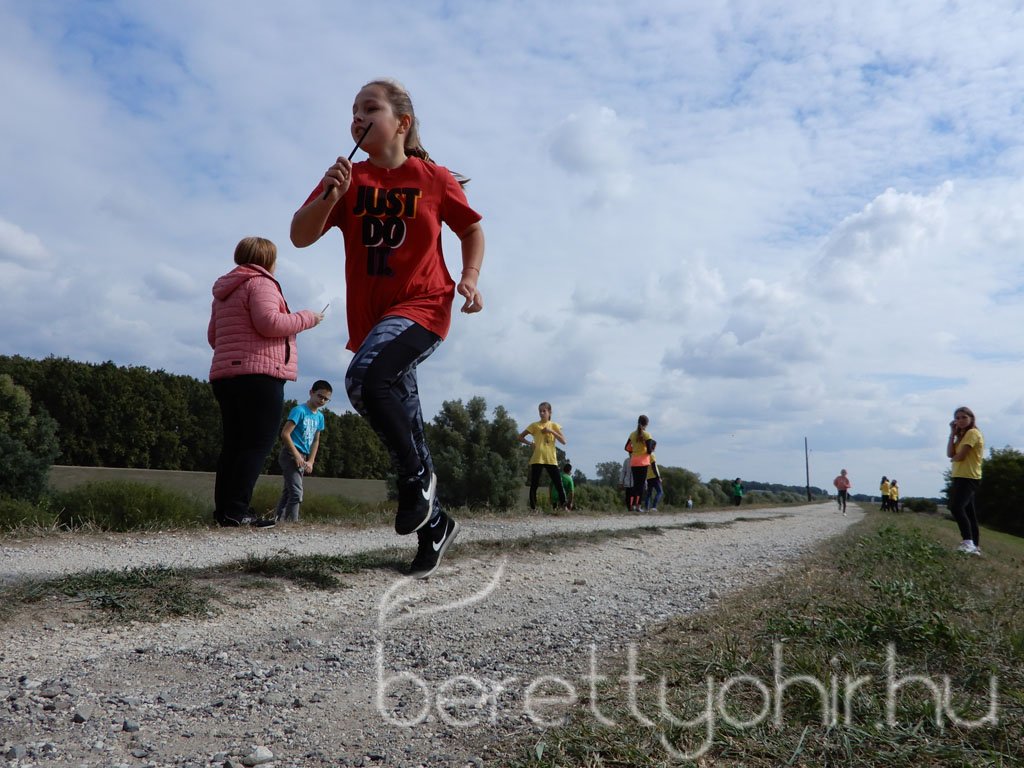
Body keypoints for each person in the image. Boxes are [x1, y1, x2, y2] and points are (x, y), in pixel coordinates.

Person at [290, 78, 484, 579]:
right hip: (377, 321)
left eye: (368, 108)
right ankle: (435, 524)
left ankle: (416, 478)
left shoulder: (434, 179)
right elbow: (300, 235)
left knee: (363, 380)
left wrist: (469, 279)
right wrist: (330, 196)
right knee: (408, 422)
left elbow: (471, 229)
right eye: (352, 111)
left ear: (402, 122)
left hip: (424, 306)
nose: (357, 117)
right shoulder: (347, 179)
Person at [208, 236, 324, 528]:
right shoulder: (262, 283)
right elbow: (270, 323)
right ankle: (238, 512)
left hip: (225, 376)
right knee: (256, 444)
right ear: (268, 260)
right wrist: (307, 318)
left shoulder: (224, 291)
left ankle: (224, 512)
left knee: (234, 445)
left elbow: (213, 337)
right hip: (259, 374)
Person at [275, 380, 332, 522]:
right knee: (296, 493)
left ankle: (277, 521)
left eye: (326, 399)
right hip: (290, 455)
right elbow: (285, 434)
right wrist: (296, 456)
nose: (322, 400)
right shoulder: (299, 411)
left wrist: (311, 461)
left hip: (304, 456)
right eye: (320, 396)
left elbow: (316, 440)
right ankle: (292, 523)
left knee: (289, 492)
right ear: (311, 392)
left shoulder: (319, 417)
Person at [947, 406, 984, 555]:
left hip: (968, 477)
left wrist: (955, 458)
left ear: (971, 418)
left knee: (956, 507)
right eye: (957, 418)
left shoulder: (973, 433)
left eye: (964, 417)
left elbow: (960, 456)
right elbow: (950, 453)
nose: (960, 420)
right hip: (960, 475)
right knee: (969, 512)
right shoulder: (961, 436)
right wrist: (952, 434)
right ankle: (975, 546)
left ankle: (967, 541)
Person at [519, 402, 568, 510]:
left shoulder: (554, 425)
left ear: (549, 412)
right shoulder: (534, 425)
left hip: (551, 459)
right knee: (534, 484)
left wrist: (551, 431)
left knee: (558, 483)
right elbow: (520, 437)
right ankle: (533, 508)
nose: (541, 413)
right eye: (540, 411)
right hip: (538, 458)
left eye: (544, 411)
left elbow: (564, 441)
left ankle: (564, 506)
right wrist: (530, 443)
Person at [624, 415, 653, 511]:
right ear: (647, 424)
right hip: (643, 462)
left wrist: (634, 451)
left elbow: (627, 448)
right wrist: (651, 448)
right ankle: (638, 506)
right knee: (641, 486)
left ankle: (631, 506)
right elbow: (649, 450)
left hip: (634, 461)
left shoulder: (632, 434)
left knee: (635, 485)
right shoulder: (647, 435)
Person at [643, 440, 663, 512]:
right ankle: (654, 506)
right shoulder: (652, 455)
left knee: (649, 494)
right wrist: (658, 477)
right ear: (653, 446)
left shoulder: (645, 455)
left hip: (648, 477)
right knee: (660, 492)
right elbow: (654, 466)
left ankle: (646, 508)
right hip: (654, 476)